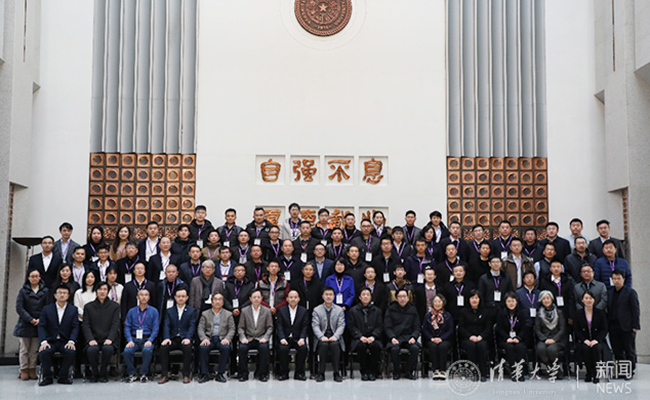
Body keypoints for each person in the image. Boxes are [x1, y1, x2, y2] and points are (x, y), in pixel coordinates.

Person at [37, 286, 79, 386]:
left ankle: (63, 376)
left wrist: (71, 341)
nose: (62, 295)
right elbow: (41, 326)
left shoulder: (73, 310)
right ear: (55, 295)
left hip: (65, 341)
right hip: (50, 340)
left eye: (64, 293)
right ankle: (47, 377)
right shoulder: (47, 309)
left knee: (70, 352)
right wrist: (43, 341)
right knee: (44, 352)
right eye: (60, 292)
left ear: (68, 296)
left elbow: (75, 327)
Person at [13, 269, 49, 380]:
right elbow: (19, 307)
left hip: (39, 324)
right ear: (28, 278)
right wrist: (30, 319)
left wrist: (40, 319)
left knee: (34, 350)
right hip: (25, 324)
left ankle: (32, 369)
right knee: (24, 349)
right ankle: (24, 369)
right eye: (32, 276)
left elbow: (47, 307)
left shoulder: (45, 291)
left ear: (40, 278)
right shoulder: (23, 291)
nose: (34, 278)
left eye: (36, 276)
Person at [82, 282, 121, 382]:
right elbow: (86, 325)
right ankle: (95, 373)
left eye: (105, 289)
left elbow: (115, 324)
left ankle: (103, 373)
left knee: (108, 349)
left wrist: (110, 338)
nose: (102, 292)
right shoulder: (88, 307)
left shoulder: (115, 306)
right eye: (100, 289)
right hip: (93, 339)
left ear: (108, 292)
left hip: (108, 339)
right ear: (96, 291)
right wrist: (90, 339)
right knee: (92, 350)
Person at [159, 287, 197, 384]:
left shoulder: (191, 311)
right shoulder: (169, 311)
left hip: (185, 338)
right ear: (175, 297)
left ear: (187, 298)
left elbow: (192, 326)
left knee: (187, 348)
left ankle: (186, 375)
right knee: (163, 348)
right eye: (179, 296)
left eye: (183, 296)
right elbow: (166, 325)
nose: (181, 298)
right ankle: (164, 375)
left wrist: (188, 338)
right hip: (172, 338)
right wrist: (166, 338)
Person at [607, 270, 640, 377]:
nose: (616, 281)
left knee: (629, 350)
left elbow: (635, 309)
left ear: (623, 279)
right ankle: (621, 370)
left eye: (618, 279)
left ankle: (630, 371)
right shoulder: (610, 292)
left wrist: (635, 325)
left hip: (627, 326)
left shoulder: (630, 292)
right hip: (613, 326)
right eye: (614, 279)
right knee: (617, 350)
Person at [197, 293, 235, 383]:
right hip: (209, 338)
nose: (217, 302)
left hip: (222, 338)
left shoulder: (228, 314)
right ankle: (204, 374)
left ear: (223, 302)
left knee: (226, 348)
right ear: (212, 302)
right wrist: (204, 338)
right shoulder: (205, 314)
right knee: (203, 348)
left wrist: (227, 339)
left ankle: (220, 374)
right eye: (215, 299)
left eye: (220, 299)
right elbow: (200, 328)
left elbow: (232, 329)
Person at [123, 289, 159, 383]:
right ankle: (132, 373)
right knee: (127, 351)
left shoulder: (154, 311)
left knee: (147, 350)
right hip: (134, 339)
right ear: (137, 297)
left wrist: (150, 340)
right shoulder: (131, 311)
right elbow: (127, 327)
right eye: (141, 295)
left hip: (147, 339)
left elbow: (155, 328)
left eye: (146, 295)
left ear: (149, 297)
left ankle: (144, 373)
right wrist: (129, 340)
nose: (144, 297)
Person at [237, 290, 273, 382]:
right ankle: (243, 373)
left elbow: (270, 327)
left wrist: (265, 338)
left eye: (258, 297)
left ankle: (262, 374)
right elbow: (240, 327)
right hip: (248, 338)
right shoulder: (244, 311)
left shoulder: (267, 311)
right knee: (242, 348)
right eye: (254, 297)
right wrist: (243, 338)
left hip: (261, 338)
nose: (256, 299)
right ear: (250, 299)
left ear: (261, 298)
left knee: (264, 348)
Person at [311, 287, 346, 382]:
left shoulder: (339, 310)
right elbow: (315, 326)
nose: (328, 297)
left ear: (334, 296)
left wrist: (336, 336)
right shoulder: (316, 310)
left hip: (335, 336)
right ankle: (321, 373)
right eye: (326, 294)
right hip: (322, 336)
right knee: (323, 345)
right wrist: (321, 337)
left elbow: (341, 325)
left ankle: (336, 373)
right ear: (322, 296)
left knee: (335, 345)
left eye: (330, 294)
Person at [348, 288, 383, 381]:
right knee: (361, 346)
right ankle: (364, 371)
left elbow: (380, 326)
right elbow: (351, 326)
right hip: (359, 338)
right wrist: (360, 336)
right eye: (363, 295)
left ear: (371, 297)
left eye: (368, 295)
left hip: (374, 338)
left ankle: (373, 371)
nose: (366, 297)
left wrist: (374, 336)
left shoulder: (377, 311)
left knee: (375, 346)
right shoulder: (353, 310)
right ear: (360, 297)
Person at [384, 288, 420, 380]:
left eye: (404, 296)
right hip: (395, 336)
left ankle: (409, 371)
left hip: (409, 336)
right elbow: (387, 327)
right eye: (400, 297)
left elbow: (417, 327)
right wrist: (392, 337)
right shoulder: (390, 309)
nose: (402, 299)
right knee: (394, 349)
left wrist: (414, 337)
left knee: (415, 348)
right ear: (396, 298)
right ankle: (396, 372)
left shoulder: (413, 309)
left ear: (408, 298)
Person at [458, 290, 493, 381]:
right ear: (468, 299)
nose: (474, 300)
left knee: (482, 345)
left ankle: (483, 373)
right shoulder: (463, 312)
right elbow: (461, 328)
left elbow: (488, 328)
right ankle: (473, 372)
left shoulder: (485, 312)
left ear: (480, 299)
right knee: (471, 346)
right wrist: (470, 336)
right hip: (468, 338)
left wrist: (481, 336)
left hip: (481, 338)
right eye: (472, 298)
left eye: (476, 298)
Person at [574, 291, 608, 383]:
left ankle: (596, 373)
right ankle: (589, 372)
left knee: (596, 348)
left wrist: (597, 340)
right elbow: (576, 330)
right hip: (584, 341)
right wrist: (584, 340)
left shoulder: (600, 313)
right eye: (586, 298)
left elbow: (604, 329)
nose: (588, 300)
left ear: (594, 300)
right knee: (585, 349)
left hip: (597, 340)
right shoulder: (578, 314)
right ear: (582, 300)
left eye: (590, 298)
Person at [276, 290, 309, 381]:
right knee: (283, 349)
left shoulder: (303, 311)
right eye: (291, 297)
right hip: (285, 338)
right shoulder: (282, 310)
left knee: (303, 348)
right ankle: (284, 372)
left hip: (298, 338)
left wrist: (302, 338)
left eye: (295, 297)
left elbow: (305, 326)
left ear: (299, 299)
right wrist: (282, 338)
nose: (293, 299)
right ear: (287, 299)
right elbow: (279, 326)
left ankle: (299, 373)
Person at [495, 292, 528, 381]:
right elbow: (499, 329)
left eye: (513, 301)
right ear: (505, 302)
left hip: (518, 339)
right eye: (509, 301)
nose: (511, 303)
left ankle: (520, 371)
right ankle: (513, 371)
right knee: (509, 347)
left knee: (520, 347)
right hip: (505, 339)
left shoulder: (521, 313)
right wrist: (507, 338)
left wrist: (518, 338)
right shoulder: (501, 313)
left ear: (516, 302)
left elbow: (524, 329)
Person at [535, 290, 567, 379]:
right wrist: (545, 339)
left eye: (548, 298)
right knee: (540, 349)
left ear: (551, 299)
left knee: (551, 349)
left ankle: (555, 368)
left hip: (558, 339)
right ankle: (552, 368)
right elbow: (537, 330)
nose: (546, 300)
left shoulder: (559, 312)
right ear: (541, 300)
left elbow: (562, 329)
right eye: (544, 299)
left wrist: (554, 339)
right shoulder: (539, 313)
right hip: (544, 339)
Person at [421, 294, 454, 380]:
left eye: (439, 301)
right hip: (431, 339)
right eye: (435, 301)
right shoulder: (428, 316)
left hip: (444, 339)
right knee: (433, 346)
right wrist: (431, 338)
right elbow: (424, 329)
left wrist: (441, 338)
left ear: (443, 303)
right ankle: (435, 370)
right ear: (432, 303)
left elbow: (450, 329)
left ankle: (442, 370)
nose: (437, 303)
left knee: (442, 346)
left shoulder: (447, 315)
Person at [516, 271, 540, 354]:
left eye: (531, 278)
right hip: (524, 322)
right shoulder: (518, 293)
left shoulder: (538, 293)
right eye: (527, 278)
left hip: (536, 323)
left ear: (534, 280)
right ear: (523, 279)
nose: (529, 280)